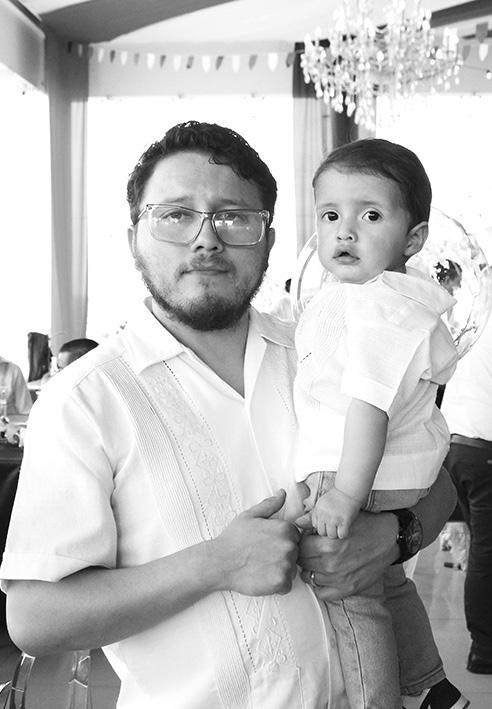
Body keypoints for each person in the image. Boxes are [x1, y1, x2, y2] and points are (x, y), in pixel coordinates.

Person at [0, 122, 457, 709]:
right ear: (135, 237)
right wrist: (218, 563)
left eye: (234, 217)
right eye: (175, 215)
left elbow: (439, 487)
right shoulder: (85, 399)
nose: (206, 240)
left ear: (268, 239)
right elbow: (34, 618)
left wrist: (393, 536)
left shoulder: (324, 350)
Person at [293, 139, 464, 708]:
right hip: (397, 476)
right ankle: (433, 688)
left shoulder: (375, 306)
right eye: (330, 215)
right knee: (387, 582)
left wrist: (345, 494)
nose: (345, 231)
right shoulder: (376, 300)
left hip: (358, 474)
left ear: (412, 239)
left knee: (350, 599)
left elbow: (369, 406)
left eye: (369, 216)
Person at [441, 302, 492, 675]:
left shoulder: (476, 315)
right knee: (486, 554)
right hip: (483, 447)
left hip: (457, 447)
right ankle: (485, 650)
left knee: (481, 550)